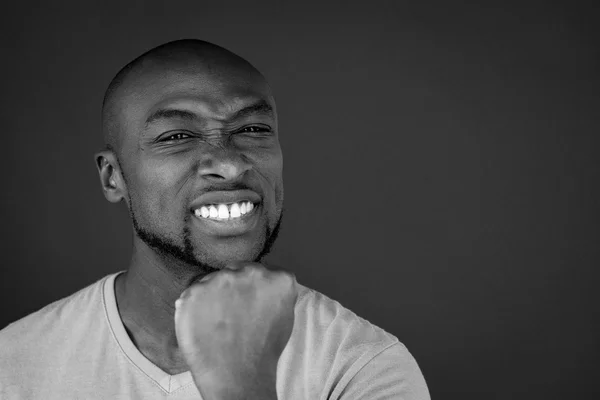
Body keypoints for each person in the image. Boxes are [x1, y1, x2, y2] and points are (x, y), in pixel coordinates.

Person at [0, 39, 431, 399]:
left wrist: (241, 385)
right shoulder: (15, 364)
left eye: (252, 130)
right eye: (177, 137)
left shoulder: (362, 367)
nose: (229, 165)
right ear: (114, 177)